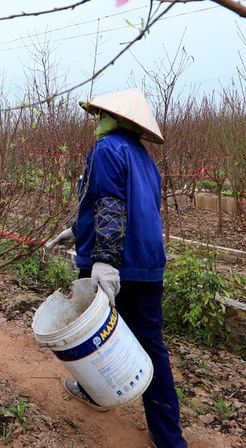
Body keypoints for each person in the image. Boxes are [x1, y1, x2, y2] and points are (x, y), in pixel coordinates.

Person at [46, 89, 187, 448]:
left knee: (93, 339)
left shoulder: (107, 149)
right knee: (152, 348)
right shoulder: (145, 160)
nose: (98, 122)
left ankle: (96, 394)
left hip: (114, 263)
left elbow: (110, 203)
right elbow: (126, 207)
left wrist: (104, 261)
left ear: (119, 119)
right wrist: (77, 231)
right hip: (148, 265)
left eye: (101, 116)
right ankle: (169, 439)